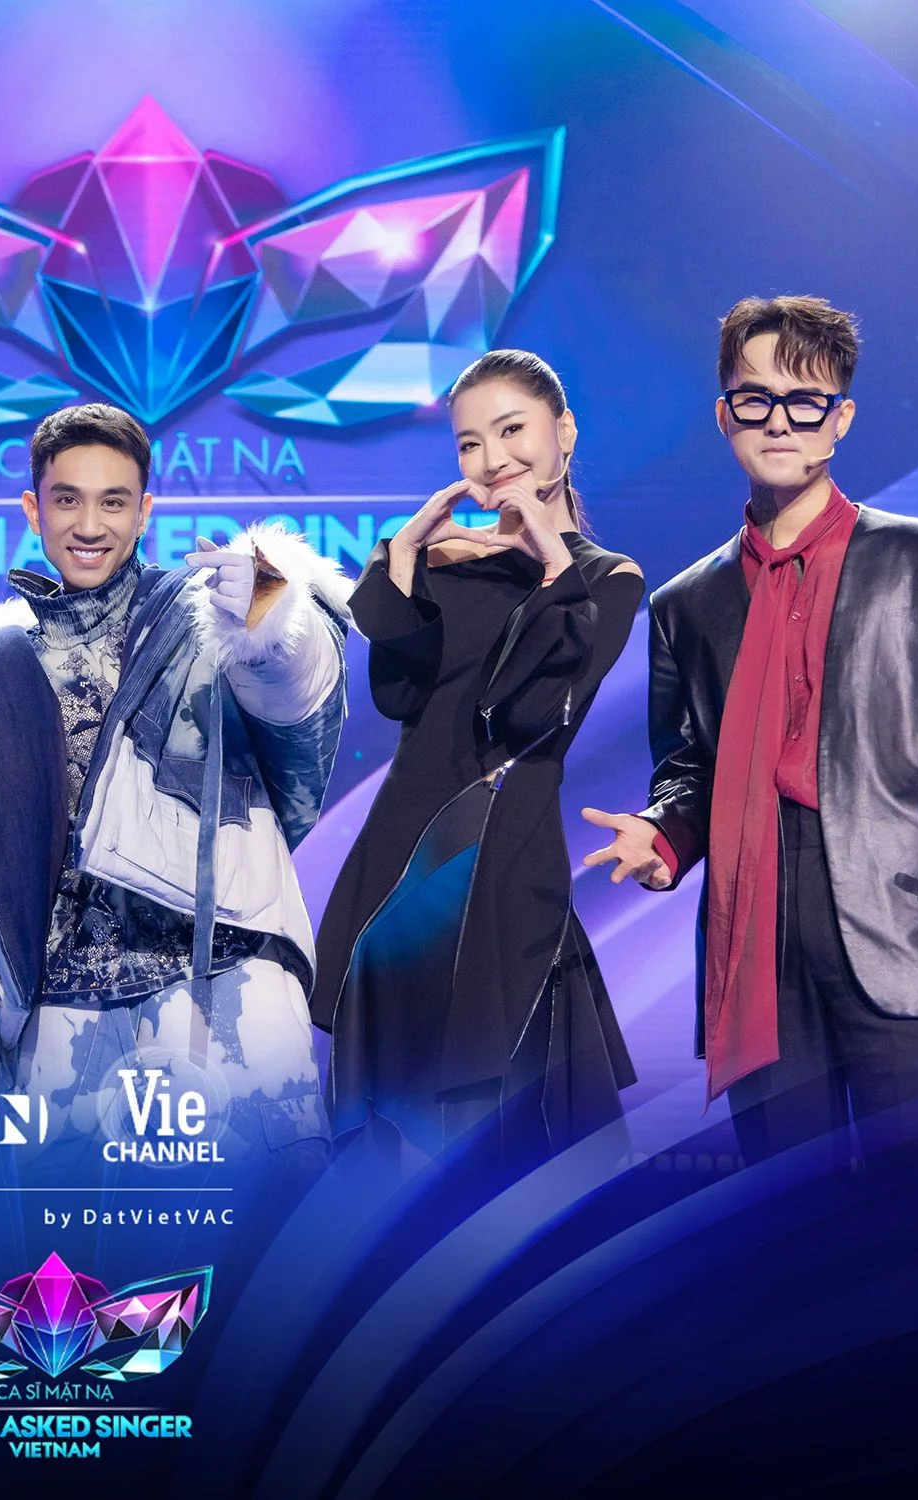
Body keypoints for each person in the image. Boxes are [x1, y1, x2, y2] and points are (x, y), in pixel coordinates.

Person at [583, 295, 918, 1172]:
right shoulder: (685, 604)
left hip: (898, 918)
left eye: (804, 400)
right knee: (787, 1217)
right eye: (755, 399)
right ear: (725, 415)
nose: (780, 421)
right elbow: (688, 767)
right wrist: (664, 836)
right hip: (754, 935)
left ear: (840, 419)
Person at [0, 403, 347, 1166]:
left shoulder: (206, 617)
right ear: (33, 509)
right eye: (66, 499)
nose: (89, 524)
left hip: (219, 975)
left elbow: (298, 704)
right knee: (76, 1241)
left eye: (113, 502)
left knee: (266, 1226)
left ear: (145, 511)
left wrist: (270, 621)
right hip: (58, 1004)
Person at [313, 350, 643, 1165]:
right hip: (397, 868)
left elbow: (529, 715)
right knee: (377, 1162)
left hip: (500, 873)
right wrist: (402, 562)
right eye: (469, 443)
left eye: (511, 430)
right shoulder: (440, 562)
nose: (493, 459)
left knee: (508, 1156)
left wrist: (553, 564)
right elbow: (399, 696)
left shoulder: (603, 580)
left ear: (564, 432)